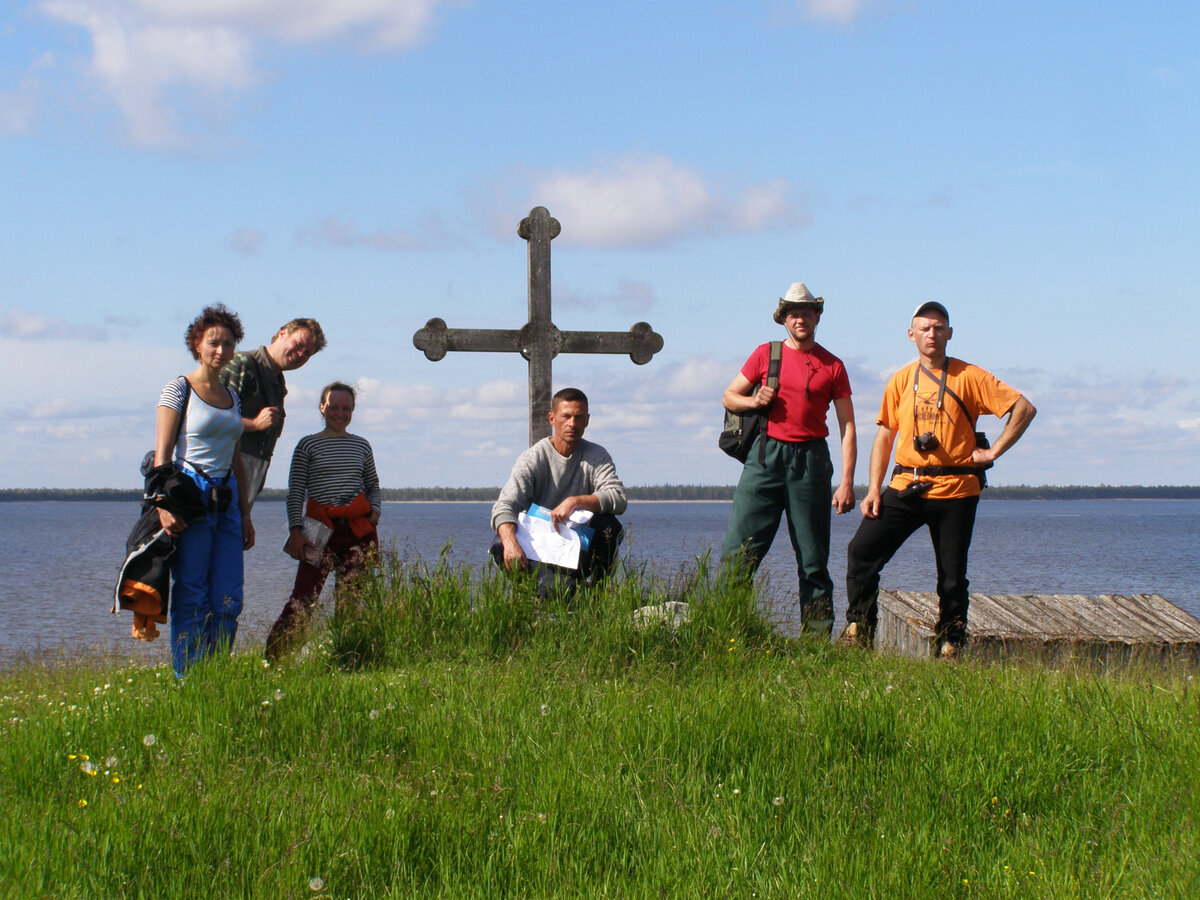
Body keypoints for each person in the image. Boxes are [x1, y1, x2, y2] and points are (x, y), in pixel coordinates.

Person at [841, 301, 1036, 659]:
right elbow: (885, 436)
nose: (932, 334)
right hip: (907, 485)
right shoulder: (900, 380)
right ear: (911, 334)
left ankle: (950, 643)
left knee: (951, 574)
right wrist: (873, 490)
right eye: (925, 328)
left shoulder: (970, 376)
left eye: (939, 328)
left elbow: (1024, 408)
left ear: (949, 333)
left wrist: (993, 452)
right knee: (862, 551)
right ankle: (859, 628)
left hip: (957, 489)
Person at [719, 282, 857, 636]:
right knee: (739, 552)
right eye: (794, 314)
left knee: (813, 560)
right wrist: (754, 401)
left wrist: (846, 482)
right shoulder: (765, 354)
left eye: (807, 313)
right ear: (784, 319)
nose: (800, 319)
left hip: (811, 461)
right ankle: (724, 629)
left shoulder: (833, 365)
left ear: (817, 317)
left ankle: (815, 640)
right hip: (765, 456)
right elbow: (729, 396)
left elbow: (847, 426)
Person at [154, 304, 255, 677]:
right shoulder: (178, 389)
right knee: (192, 591)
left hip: (226, 500)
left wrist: (245, 514)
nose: (221, 350)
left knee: (228, 597)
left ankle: (215, 676)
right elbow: (162, 456)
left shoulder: (232, 396)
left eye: (228, 344)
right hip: (191, 497)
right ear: (197, 344)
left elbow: (236, 458)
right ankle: (188, 680)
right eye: (213, 342)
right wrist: (163, 506)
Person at [265, 382, 382, 660]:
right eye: (333, 407)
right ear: (322, 407)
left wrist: (375, 513)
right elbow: (296, 492)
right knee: (304, 597)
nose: (340, 413)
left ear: (352, 411)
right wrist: (296, 530)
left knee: (352, 598)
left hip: (357, 528)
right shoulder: (307, 445)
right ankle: (275, 658)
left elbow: (373, 485)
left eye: (346, 408)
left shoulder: (361, 445)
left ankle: (347, 656)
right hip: (318, 528)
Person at [490, 387, 627, 595]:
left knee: (609, 526)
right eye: (566, 416)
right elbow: (505, 505)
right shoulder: (532, 458)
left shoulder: (596, 456)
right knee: (501, 542)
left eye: (579, 417)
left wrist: (575, 502)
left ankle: (597, 592)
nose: (572, 423)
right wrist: (510, 541)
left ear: (587, 420)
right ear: (552, 419)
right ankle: (538, 592)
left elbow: (617, 497)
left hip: (578, 543)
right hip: (538, 546)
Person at [220, 317, 326, 505]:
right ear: (282, 333)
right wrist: (254, 424)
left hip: (245, 487)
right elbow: (209, 417)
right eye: (299, 344)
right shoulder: (242, 364)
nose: (300, 354)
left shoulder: (277, 384)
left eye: (307, 353)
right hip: (220, 479)